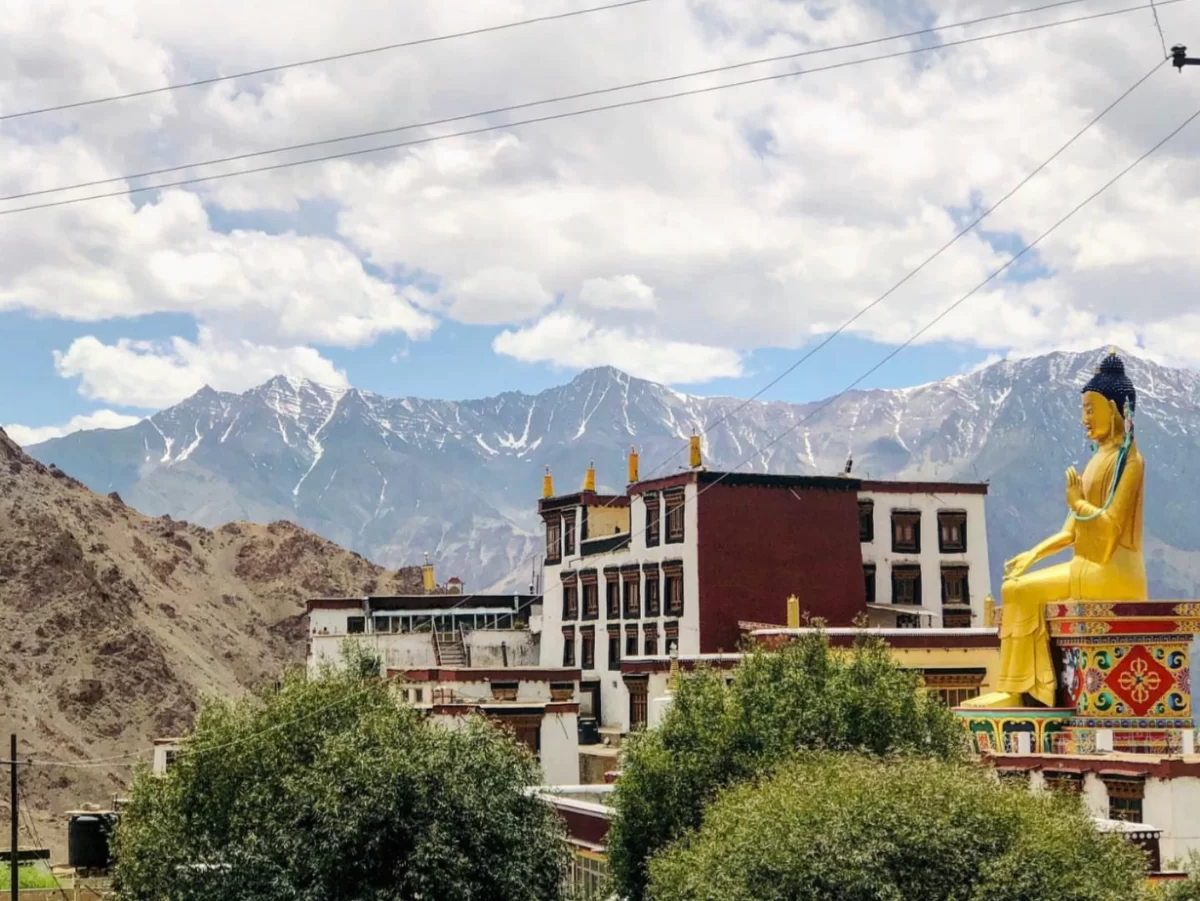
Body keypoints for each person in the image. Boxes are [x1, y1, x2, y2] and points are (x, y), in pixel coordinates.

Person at [963, 350, 1145, 708]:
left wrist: (1077, 502)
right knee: (1015, 584)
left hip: (1113, 572)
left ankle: (1024, 691)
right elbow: (1071, 532)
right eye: (1083, 410)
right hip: (1086, 567)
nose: (1084, 419)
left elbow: (1107, 533)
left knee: (1020, 594)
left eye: (1091, 409)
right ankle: (1024, 687)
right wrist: (1030, 556)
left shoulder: (1131, 461)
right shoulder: (1096, 460)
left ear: (1115, 409)